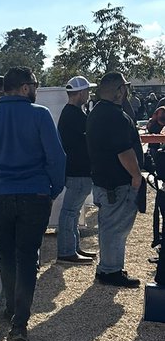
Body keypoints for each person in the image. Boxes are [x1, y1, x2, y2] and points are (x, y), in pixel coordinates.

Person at [0, 67, 66, 341]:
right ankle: (20, 321)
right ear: (24, 88)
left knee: (7, 255)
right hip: (34, 193)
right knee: (27, 257)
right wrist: (52, 189)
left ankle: (11, 306)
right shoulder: (40, 115)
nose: (36, 88)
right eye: (34, 84)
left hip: (0, 193)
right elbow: (56, 158)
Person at [85, 71, 144, 288]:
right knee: (116, 229)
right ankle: (111, 270)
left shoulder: (98, 111)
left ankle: (108, 267)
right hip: (117, 183)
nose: (127, 92)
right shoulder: (114, 115)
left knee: (109, 227)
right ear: (119, 91)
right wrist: (136, 175)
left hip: (105, 181)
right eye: (125, 87)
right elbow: (123, 151)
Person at [55, 75, 97, 265]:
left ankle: (72, 247)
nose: (88, 94)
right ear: (80, 93)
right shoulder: (75, 115)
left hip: (76, 169)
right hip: (78, 170)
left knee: (72, 211)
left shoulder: (70, 113)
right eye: (87, 91)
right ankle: (66, 251)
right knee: (70, 212)